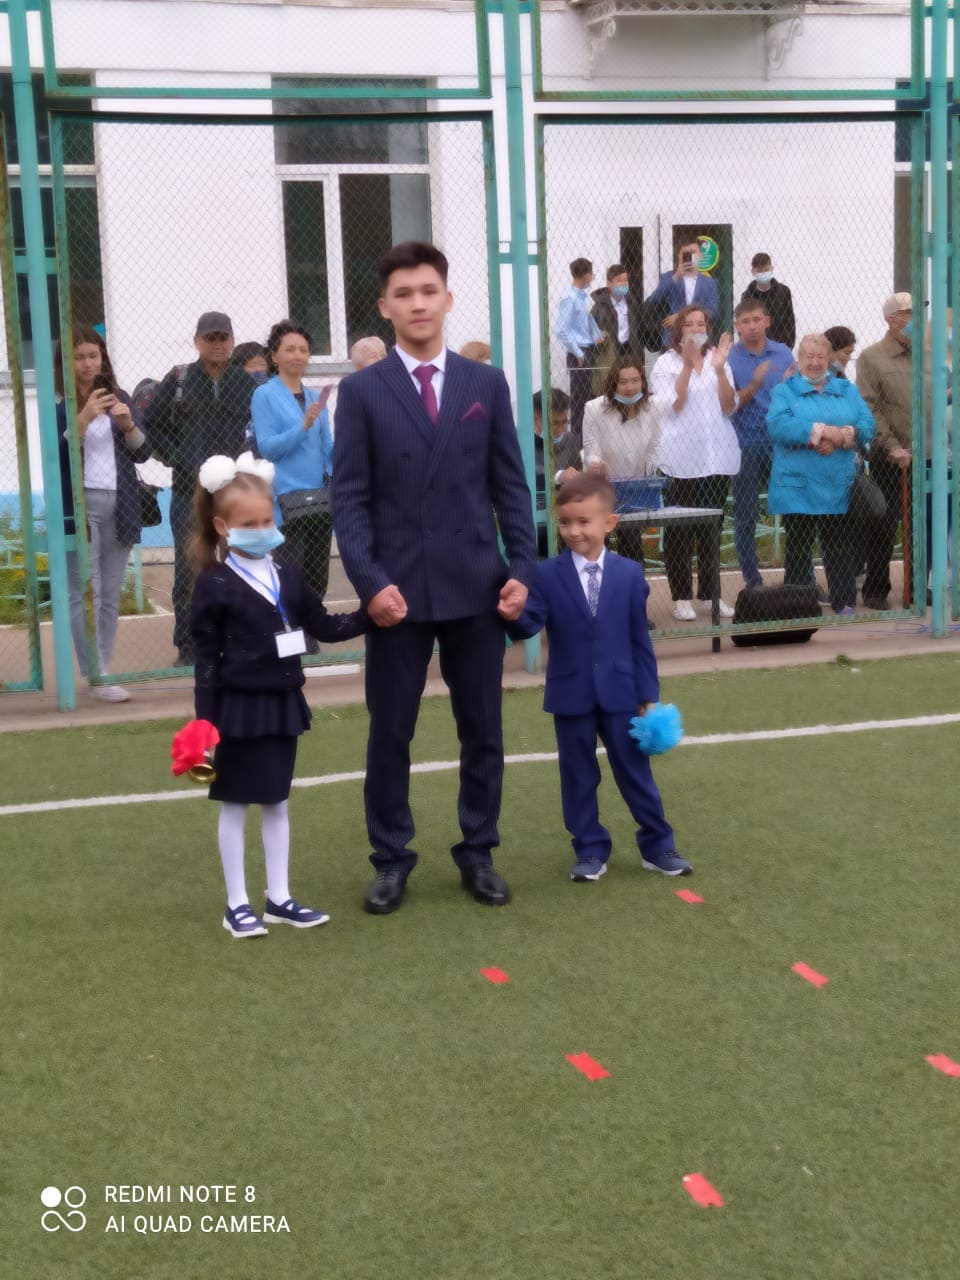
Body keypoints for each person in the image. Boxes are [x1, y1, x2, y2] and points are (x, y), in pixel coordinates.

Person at [333, 241, 537, 916]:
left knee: (483, 730)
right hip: (395, 595)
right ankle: (391, 859)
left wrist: (522, 568)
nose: (418, 303)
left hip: (477, 587)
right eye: (404, 293)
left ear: (447, 299)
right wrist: (370, 583)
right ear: (385, 306)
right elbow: (349, 500)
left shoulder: (486, 385)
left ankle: (478, 852)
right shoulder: (361, 392)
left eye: (428, 291)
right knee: (390, 732)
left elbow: (511, 486)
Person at [189, 452, 368, 939]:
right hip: (237, 709)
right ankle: (236, 904)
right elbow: (206, 660)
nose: (262, 530)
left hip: (283, 702)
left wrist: (370, 614)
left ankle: (279, 898)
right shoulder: (213, 583)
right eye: (250, 524)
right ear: (223, 527)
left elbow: (323, 625)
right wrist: (204, 723)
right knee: (234, 803)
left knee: (277, 800)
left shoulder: (288, 574)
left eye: (267, 520)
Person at [509, 470, 690, 883]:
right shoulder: (545, 574)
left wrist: (648, 696)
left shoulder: (629, 574)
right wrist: (512, 613)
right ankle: (590, 849)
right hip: (569, 696)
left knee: (635, 774)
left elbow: (639, 641)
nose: (573, 531)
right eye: (565, 522)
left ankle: (658, 846)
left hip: (622, 694)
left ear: (609, 523)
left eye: (583, 521)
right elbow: (528, 624)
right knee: (577, 776)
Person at [144, 312, 256, 665]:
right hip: (189, 492)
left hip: (235, 493)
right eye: (211, 337)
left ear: (232, 341)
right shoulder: (179, 379)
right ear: (197, 342)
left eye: (224, 337)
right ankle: (189, 647)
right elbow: (151, 425)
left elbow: (259, 430)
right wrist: (178, 458)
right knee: (190, 570)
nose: (218, 344)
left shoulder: (246, 384)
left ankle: (239, 642)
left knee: (242, 567)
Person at [55, 324, 152, 703]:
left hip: (121, 503)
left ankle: (104, 669)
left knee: (110, 593)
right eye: (78, 357)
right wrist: (82, 419)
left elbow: (143, 453)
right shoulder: (59, 405)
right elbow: (56, 456)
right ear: (66, 362)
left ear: (102, 357)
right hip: (80, 507)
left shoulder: (119, 397)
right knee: (84, 592)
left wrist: (128, 425)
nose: (87, 364)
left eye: (93, 356)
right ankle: (93, 673)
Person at [767, 333, 875, 614]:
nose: (814, 362)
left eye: (820, 357)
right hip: (797, 486)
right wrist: (822, 433)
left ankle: (844, 604)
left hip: (837, 484)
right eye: (808, 357)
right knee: (798, 549)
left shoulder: (846, 389)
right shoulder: (784, 391)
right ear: (799, 359)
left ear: (829, 359)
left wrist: (843, 437)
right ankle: (796, 608)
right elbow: (778, 426)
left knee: (839, 547)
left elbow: (867, 423)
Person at [649, 305, 740, 620]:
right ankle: (682, 597)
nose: (696, 329)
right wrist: (687, 367)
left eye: (701, 324)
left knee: (711, 529)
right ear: (678, 330)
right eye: (689, 324)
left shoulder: (718, 360)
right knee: (680, 532)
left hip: (716, 458)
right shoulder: (666, 363)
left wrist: (719, 370)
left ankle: (710, 595)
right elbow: (671, 406)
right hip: (680, 460)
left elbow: (728, 406)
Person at [251, 321, 334, 605]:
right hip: (285, 504)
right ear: (274, 356)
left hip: (320, 503)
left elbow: (327, 447)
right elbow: (268, 448)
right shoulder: (264, 395)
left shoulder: (314, 397)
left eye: (303, 349)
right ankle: (289, 631)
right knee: (288, 580)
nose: (297, 355)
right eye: (289, 349)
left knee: (317, 581)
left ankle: (312, 630)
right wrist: (303, 426)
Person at [726, 299, 795, 589]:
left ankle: (799, 579)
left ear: (767, 321)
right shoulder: (729, 357)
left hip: (780, 443)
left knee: (794, 511)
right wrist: (754, 383)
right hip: (745, 444)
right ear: (737, 326)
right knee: (746, 515)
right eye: (745, 321)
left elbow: (793, 394)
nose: (752, 326)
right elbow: (728, 404)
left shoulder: (783, 352)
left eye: (757, 319)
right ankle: (753, 582)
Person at [856, 294, 917, 609]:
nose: (915, 319)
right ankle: (876, 587)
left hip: (925, 456)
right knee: (884, 522)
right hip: (889, 458)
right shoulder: (872, 357)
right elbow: (870, 407)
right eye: (908, 313)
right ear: (892, 319)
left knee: (920, 525)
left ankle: (916, 586)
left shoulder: (928, 355)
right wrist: (892, 446)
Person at [582, 360, 662, 565]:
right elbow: (590, 451)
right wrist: (598, 465)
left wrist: (649, 478)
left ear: (643, 382)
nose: (629, 387)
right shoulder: (594, 408)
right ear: (613, 384)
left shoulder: (652, 408)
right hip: (602, 488)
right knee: (600, 545)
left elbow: (654, 447)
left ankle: (633, 583)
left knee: (632, 546)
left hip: (635, 488)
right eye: (623, 382)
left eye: (635, 381)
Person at [555, 257, 604, 436]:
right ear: (586, 275)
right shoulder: (570, 298)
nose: (592, 277)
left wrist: (596, 335)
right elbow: (561, 330)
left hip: (587, 349)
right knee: (580, 399)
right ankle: (577, 438)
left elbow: (584, 322)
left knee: (585, 397)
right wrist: (578, 352)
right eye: (591, 274)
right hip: (580, 353)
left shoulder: (580, 297)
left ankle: (584, 436)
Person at [644, 240, 720, 351]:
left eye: (693, 253)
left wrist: (682, 316)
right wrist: (676, 276)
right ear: (679, 256)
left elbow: (713, 311)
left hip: (700, 340)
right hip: (671, 340)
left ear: (701, 255)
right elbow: (654, 300)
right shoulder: (668, 278)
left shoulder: (709, 283)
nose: (690, 257)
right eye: (686, 254)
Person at [533, 387, 579, 556]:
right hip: (536, 511)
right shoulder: (521, 440)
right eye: (554, 423)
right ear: (536, 418)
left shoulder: (571, 440)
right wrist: (559, 476)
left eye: (564, 422)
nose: (561, 429)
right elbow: (530, 475)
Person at [740, 253, 796, 350]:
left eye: (766, 270)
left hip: (779, 345)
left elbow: (790, 321)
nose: (763, 273)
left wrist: (788, 347)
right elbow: (743, 323)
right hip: (756, 347)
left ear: (771, 268)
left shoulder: (783, 292)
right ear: (753, 272)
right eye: (759, 271)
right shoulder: (747, 296)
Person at [590, 264, 640, 362]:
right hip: (609, 353)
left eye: (626, 280)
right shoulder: (600, 307)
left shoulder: (632, 303)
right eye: (619, 280)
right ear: (609, 283)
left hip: (630, 352)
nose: (624, 283)